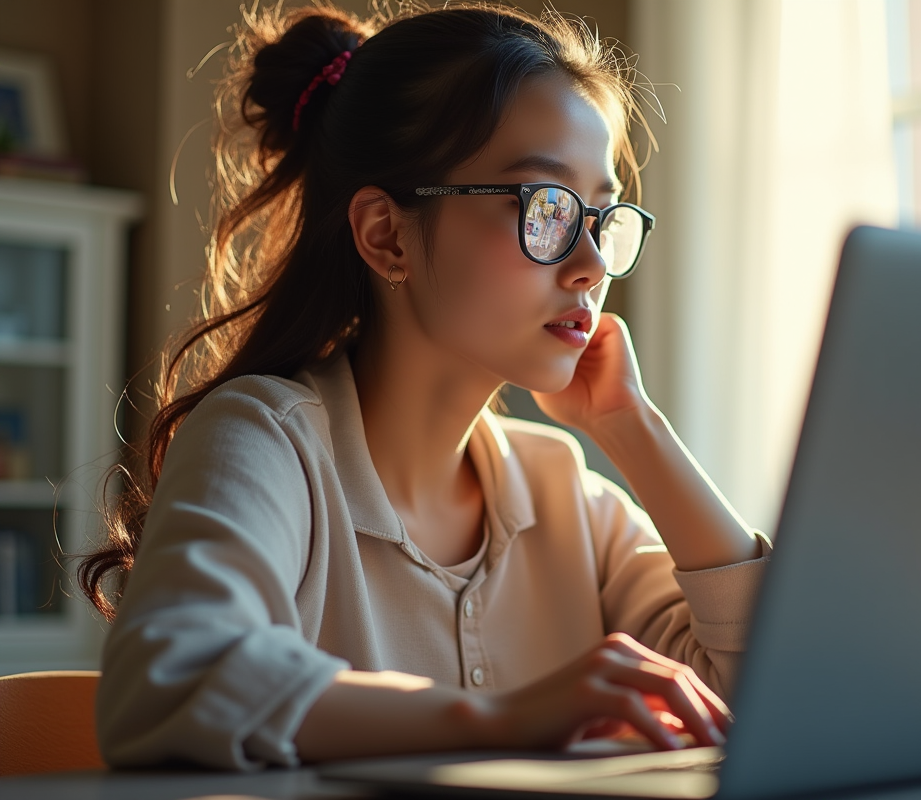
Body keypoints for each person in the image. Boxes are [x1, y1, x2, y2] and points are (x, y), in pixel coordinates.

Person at [78, 0, 772, 771]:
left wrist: (634, 427)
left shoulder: (567, 495)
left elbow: (783, 700)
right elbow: (166, 687)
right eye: (545, 208)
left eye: (601, 219)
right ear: (386, 235)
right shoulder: (267, 440)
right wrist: (507, 718)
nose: (591, 265)